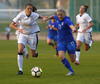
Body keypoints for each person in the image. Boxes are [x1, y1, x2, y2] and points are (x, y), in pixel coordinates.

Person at [10, 3, 43, 75]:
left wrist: (45, 18)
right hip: (23, 34)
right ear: (25, 9)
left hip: (32, 35)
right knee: (20, 50)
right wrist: (18, 29)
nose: (29, 10)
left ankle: (35, 53)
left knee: (33, 55)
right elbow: (11, 24)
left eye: (31, 9)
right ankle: (20, 70)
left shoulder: (34, 14)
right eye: (28, 8)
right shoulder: (21, 14)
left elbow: (40, 17)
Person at [42, 8, 77, 76]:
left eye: (61, 15)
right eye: (58, 15)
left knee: (72, 60)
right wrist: (47, 18)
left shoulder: (67, 20)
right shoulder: (57, 17)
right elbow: (53, 16)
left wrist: (74, 29)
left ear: (64, 14)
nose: (59, 16)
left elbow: (71, 26)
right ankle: (71, 71)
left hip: (69, 41)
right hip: (61, 41)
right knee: (61, 56)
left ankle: (74, 49)